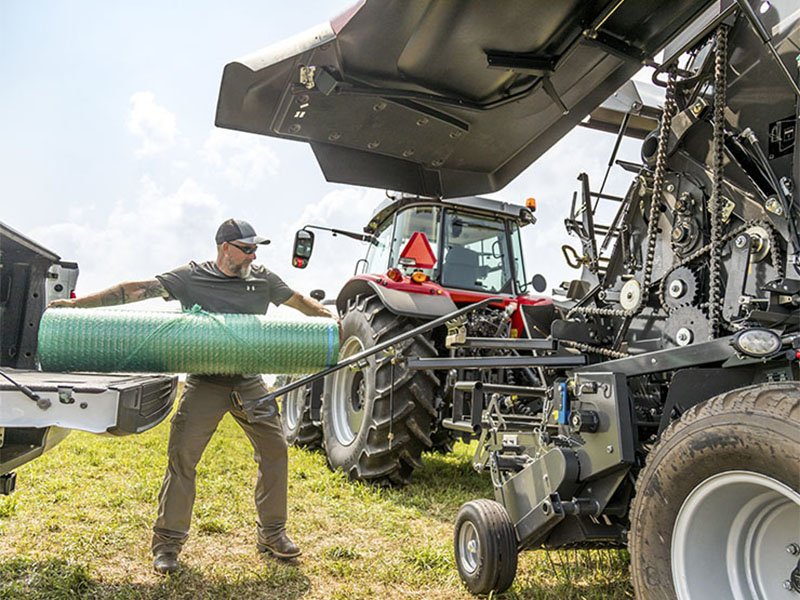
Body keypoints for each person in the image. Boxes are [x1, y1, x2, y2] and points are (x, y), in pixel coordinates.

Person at [49, 218, 336, 575]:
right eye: (246, 248)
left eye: (255, 249)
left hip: (248, 381)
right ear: (224, 248)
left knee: (275, 450)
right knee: (183, 457)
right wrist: (76, 307)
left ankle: (272, 534)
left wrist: (330, 320)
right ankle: (167, 544)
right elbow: (135, 290)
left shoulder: (263, 278)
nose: (252, 255)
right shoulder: (191, 276)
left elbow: (298, 301)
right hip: (206, 382)